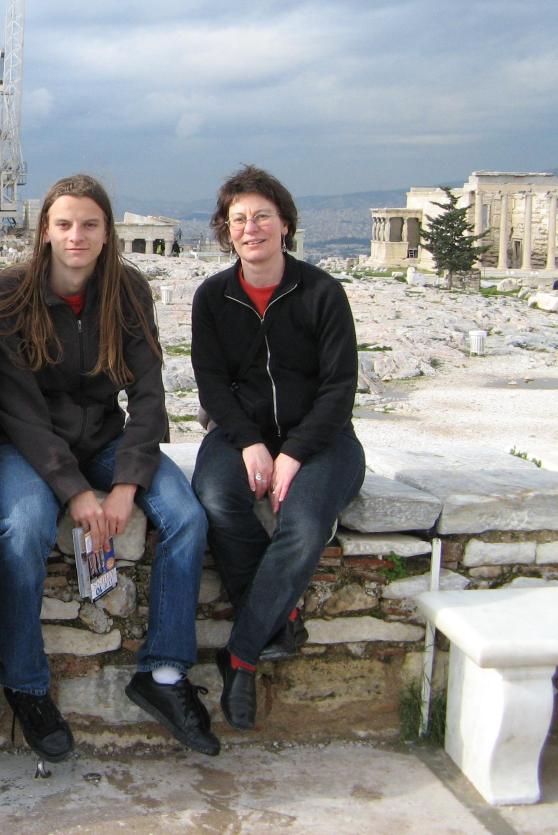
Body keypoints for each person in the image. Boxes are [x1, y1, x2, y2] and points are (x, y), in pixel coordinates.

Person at [0, 174, 217, 761]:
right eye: (64, 224)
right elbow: (18, 408)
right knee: (25, 528)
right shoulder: (8, 293)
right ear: (44, 232)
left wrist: (125, 484)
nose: (77, 236)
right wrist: (73, 491)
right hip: (30, 447)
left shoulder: (127, 289)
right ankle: (25, 681)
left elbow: (148, 395)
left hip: (109, 441)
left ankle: (163, 673)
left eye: (90, 224)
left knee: (186, 516)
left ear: (108, 233)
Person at [190, 165, 364, 732]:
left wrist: (292, 453)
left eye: (262, 215)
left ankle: (240, 657)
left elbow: (339, 388)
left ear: (284, 224)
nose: (250, 227)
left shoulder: (322, 293)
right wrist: (249, 443)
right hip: (241, 436)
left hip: (324, 439)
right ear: (226, 230)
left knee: (307, 521)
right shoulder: (212, 297)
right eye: (238, 218)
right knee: (215, 498)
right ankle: (278, 616)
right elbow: (212, 383)